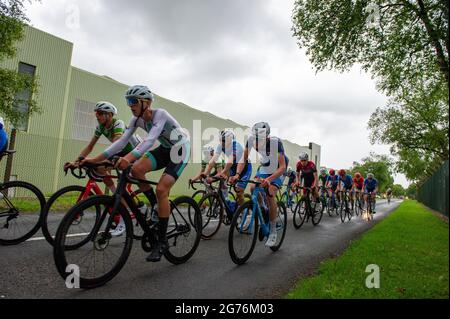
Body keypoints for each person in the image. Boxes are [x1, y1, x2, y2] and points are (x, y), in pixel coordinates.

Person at [82, 85, 190, 262]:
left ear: (146, 102)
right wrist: (94, 160)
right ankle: (155, 206)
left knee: (162, 189)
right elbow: (120, 142)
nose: (129, 105)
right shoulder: (135, 120)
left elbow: (149, 141)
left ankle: (162, 242)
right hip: (165, 148)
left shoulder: (160, 114)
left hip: (180, 150)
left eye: (133, 101)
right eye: (128, 101)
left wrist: (129, 157)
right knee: (136, 169)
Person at [66, 101, 142, 236]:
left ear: (110, 115)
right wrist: (77, 161)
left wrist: (95, 160)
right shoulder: (100, 127)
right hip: (118, 153)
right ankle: (118, 196)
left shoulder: (118, 124)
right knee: (100, 169)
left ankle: (124, 220)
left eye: (100, 113)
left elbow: (116, 143)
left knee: (104, 169)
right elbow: (90, 147)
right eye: (96, 113)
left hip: (132, 154)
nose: (97, 116)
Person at [230, 122, 288, 248]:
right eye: (255, 138)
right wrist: (237, 174)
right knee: (252, 188)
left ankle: (272, 231)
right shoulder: (251, 140)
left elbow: (283, 167)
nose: (256, 141)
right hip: (266, 167)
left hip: (279, 168)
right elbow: (243, 159)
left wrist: (270, 180)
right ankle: (263, 209)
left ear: (267, 137)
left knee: (270, 192)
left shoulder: (275, 143)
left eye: (259, 139)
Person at [203, 130, 252, 213]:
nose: (222, 142)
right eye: (220, 140)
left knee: (239, 192)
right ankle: (227, 202)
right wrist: (206, 173)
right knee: (222, 181)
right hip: (233, 167)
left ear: (230, 139)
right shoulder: (220, 146)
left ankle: (244, 212)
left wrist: (223, 172)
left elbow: (230, 160)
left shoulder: (236, 145)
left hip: (245, 168)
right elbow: (213, 160)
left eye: (224, 140)